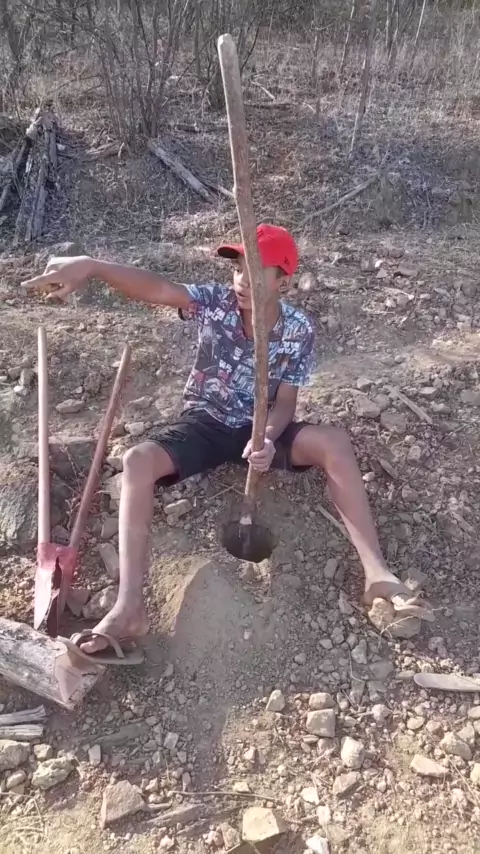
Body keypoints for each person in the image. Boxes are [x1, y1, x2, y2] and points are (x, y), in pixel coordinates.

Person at [23, 224, 425, 654]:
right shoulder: (215, 304)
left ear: (283, 281)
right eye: (237, 269)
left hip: (261, 427)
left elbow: (286, 401)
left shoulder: (298, 329)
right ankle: (129, 607)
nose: (241, 281)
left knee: (335, 444)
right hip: (207, 424)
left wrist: (267, 437)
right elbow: (159, 290)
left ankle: (377, 574)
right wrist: (93, 267)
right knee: (138, 460)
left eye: (255, 272)